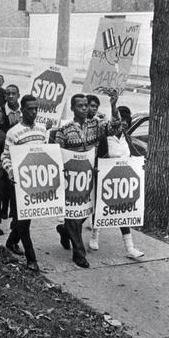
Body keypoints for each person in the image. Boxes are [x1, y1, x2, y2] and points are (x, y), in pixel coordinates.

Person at [54, 91, 121, 268]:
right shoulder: (64, 130)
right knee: (74, 214)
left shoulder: (96, 125)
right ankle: (79, 253)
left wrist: (113, 106)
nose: (84, 108)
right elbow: (57, 155)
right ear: (72, 108)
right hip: (72, 179)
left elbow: (116, 128)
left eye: (86, 105)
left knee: (88, 210)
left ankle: (65, 230)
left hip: (91, 176)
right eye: (80, 106)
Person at [0, 95, 50, 272]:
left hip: (36, 182)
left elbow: (46, 154)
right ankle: (31, 258)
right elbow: (5, 157)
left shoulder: (43, 130)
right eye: (30, 108)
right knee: (23, 219)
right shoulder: (13, 132)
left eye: (36, 108)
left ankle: (11, 241)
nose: (34, 112)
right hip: (19, 183)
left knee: (26, 219)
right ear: (22, 110)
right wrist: (11, 172)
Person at [89, 105, 144, 259]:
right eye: (121, 121)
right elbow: (98, 158)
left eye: (126, 121)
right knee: (100, 208)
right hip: (106, 179)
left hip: (122, 180)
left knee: (123, 212)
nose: (124, 124)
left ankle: (130, 247)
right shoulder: (105, 137)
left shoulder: (126, 138)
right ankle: (94, 235)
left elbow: (132, 155)